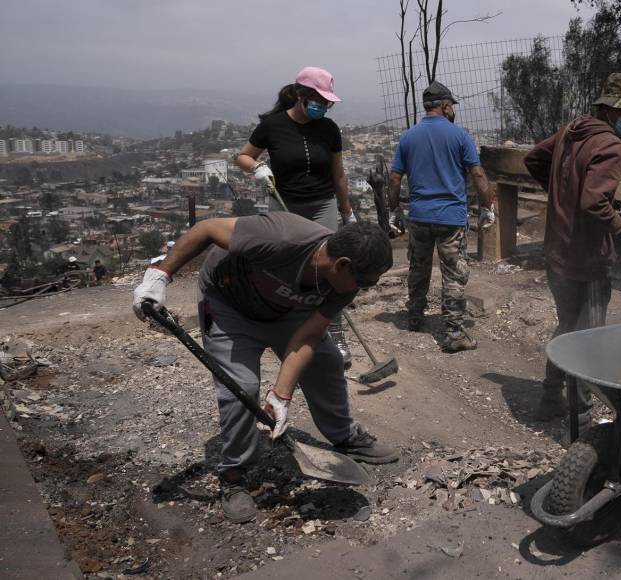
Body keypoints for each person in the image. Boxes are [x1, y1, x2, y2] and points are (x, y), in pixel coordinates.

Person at [131, 214, 400, 524]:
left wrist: (281, 396)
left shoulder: (346, 282)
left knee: (326, 360)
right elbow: (205, 229)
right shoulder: (282, 238)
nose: (366, 288)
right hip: (228, 305)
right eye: (365, 282)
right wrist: (158, 276)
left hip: (287, 312)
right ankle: (234, 473)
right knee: (240, 387)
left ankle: (344, 436)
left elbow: (308, 336)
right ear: (341, 264)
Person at [522, 73, 621, 422]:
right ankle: (580, 410)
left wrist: (560, 195)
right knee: (590, 334)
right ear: (612, 111)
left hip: (556, 251)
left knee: (568, 325)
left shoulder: (572, 130)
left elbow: (534, 159)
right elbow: (594, 203)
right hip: (586, 258)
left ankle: (551, 397)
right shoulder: (610, 144)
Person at [236, 66, 357, 366]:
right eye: (318, 100)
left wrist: (347, 212)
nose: (323, 107)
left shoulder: (329, 130)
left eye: (327, 102)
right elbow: (243, 155)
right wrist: (257, 167)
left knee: (331, 270)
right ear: (301, 95)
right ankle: (286, 328)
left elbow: (338, 174)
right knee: (285, 267)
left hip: (322, 204)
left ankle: (336, 333)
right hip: (285, 205)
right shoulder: (273, 125)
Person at [388, 80, 496, 352]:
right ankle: (455, 333)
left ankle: (415, 318)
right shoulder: (460, 136)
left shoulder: (408, 137)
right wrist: (487, 207)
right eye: (452, 106)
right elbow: (479, 175)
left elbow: (394, 178)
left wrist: (394, 210)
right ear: (446, 106)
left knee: (418, 268)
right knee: (453, 274)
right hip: (451, 218)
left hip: (420, 216)